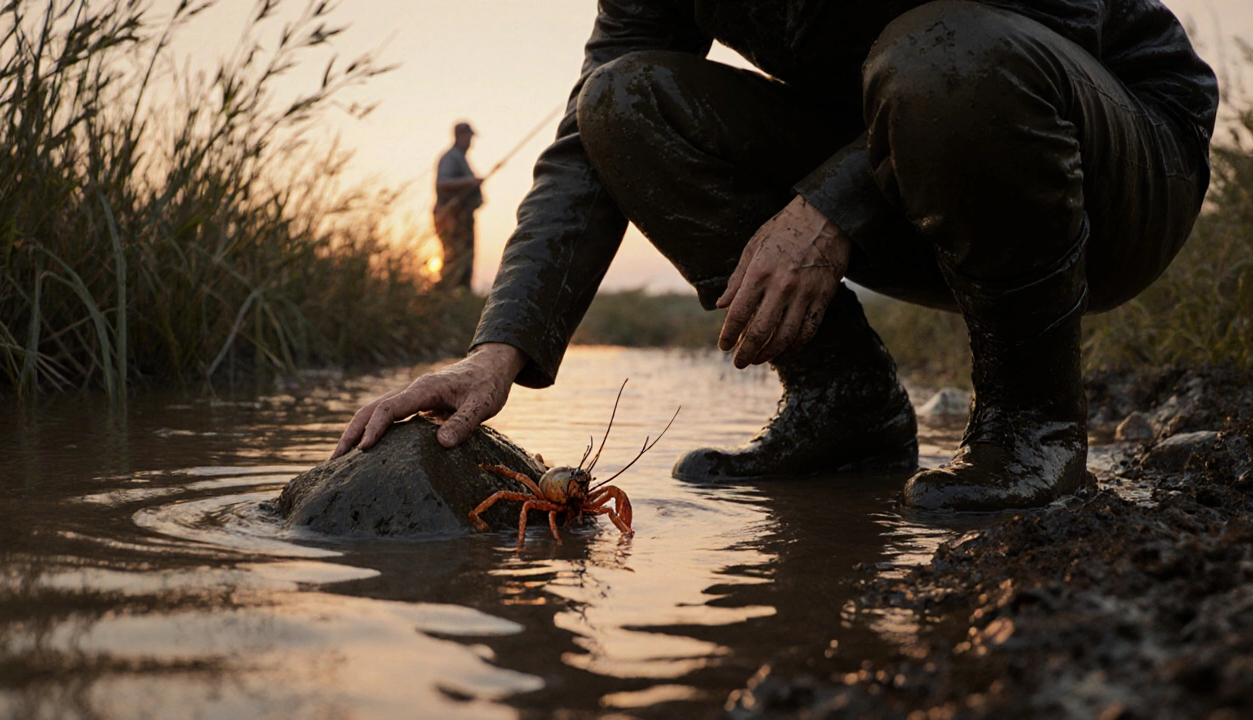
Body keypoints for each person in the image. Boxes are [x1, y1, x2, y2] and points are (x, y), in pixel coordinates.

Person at [335, 1, 1218, 512]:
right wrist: (497, 352)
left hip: (1113, 165)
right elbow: (585, 143)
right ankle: (847, 409)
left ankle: (1034, 427)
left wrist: (830, 207)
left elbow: (1023, 28)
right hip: (905, 158)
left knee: (944, 49)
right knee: (622, 99)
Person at [434, 121, 483, 290]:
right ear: (459, 136)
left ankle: (459, 297)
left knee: (464, 260)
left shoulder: (461, 159)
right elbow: (442, 183)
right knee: (454, 259)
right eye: (468, 137)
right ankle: (446, 298)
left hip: (462, 219)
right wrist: (470, 181)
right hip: (452, 219)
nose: (471, 141)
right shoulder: (450, 157)